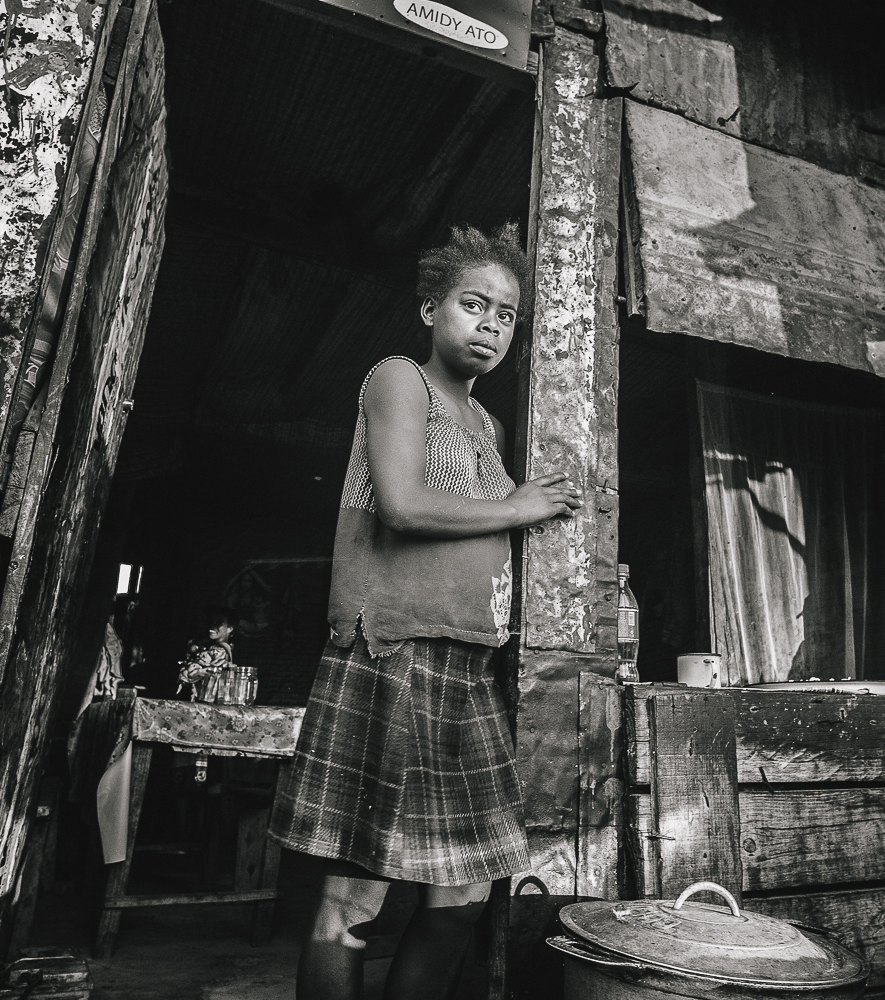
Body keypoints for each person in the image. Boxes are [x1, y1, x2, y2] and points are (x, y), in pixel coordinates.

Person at [268, 223, 583, 1000]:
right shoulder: (398, 380)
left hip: (468, 667)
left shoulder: (490, 427)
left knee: (465, 891)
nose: (490, 325)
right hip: (393, 651)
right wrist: (519, 507)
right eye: (474, 304)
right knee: (356, 896)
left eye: (506, 315)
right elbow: (403, 505)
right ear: (429, 308)